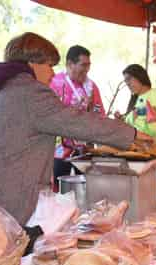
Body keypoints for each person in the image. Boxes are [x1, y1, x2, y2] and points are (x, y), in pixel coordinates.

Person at [0, 32, 151, 228]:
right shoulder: (29, 91)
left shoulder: (7, 88)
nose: (52, 73)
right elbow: (79, 122)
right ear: (32, 63)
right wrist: (131, 134)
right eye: (49, 66)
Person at [50, 45, 105, 190]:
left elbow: (100, 116)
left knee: (88, 191)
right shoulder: (54, 83)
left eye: (89, 65)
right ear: (69, 64)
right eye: (83, 65)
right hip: (59, 150)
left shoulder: (92, 87)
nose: (87, 69)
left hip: (84, 150)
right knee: (58, 191)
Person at [120, 64, 156, 145]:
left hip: (155, 148)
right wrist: (122, 119)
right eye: (125, 81)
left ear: (139, 76)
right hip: (137, 148)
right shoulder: (135, 99)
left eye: (129, 79)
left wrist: (136, 125)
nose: (127, 83)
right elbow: (130, 123)